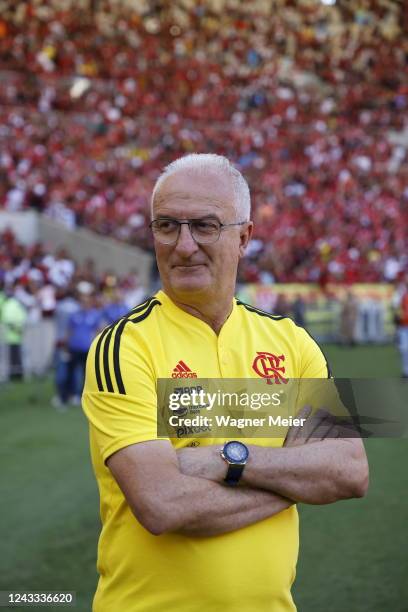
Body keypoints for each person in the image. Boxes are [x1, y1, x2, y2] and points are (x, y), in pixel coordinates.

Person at [82, 154, 369, 612]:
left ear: (245, 237)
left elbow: (350, 471)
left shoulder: (291, 341)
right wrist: (296, 475)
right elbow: (162, 505)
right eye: (167, 226)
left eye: (205, 226)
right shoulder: (122, 346)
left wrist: (226, 460)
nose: (183, 245)